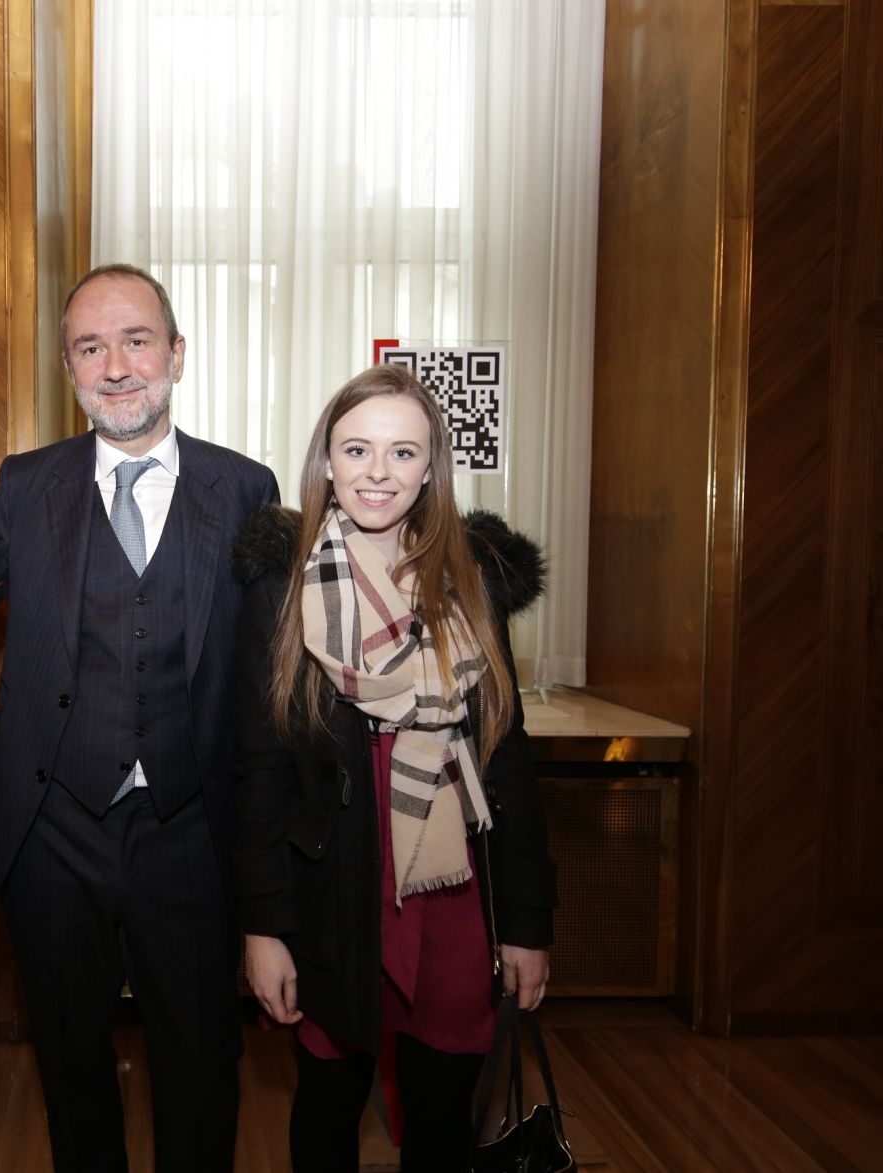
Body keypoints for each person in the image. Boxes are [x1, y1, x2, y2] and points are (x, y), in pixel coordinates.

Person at [0, 264, 279, 1172]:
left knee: (201, 1060)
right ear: (69, 366)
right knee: (70, 1062)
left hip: (191, 825)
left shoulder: (245, 489)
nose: (114, 366)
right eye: (90, 347)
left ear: (177, 354)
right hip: (55, 823)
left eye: (136, 341)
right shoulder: (26, 485)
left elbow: (276, 666)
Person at [230, 363, 556, 1172]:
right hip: (335, 888)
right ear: (326, 460)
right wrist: (264, 926)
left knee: (442, 1116)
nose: (378, 471)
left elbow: (508, 759)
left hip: (452, 891)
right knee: (328, 1106)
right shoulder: (283, 585)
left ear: (430, 466)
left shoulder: (473, 580)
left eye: (403, 452)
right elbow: (259, 771)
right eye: (357, 449)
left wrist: (526, 923)